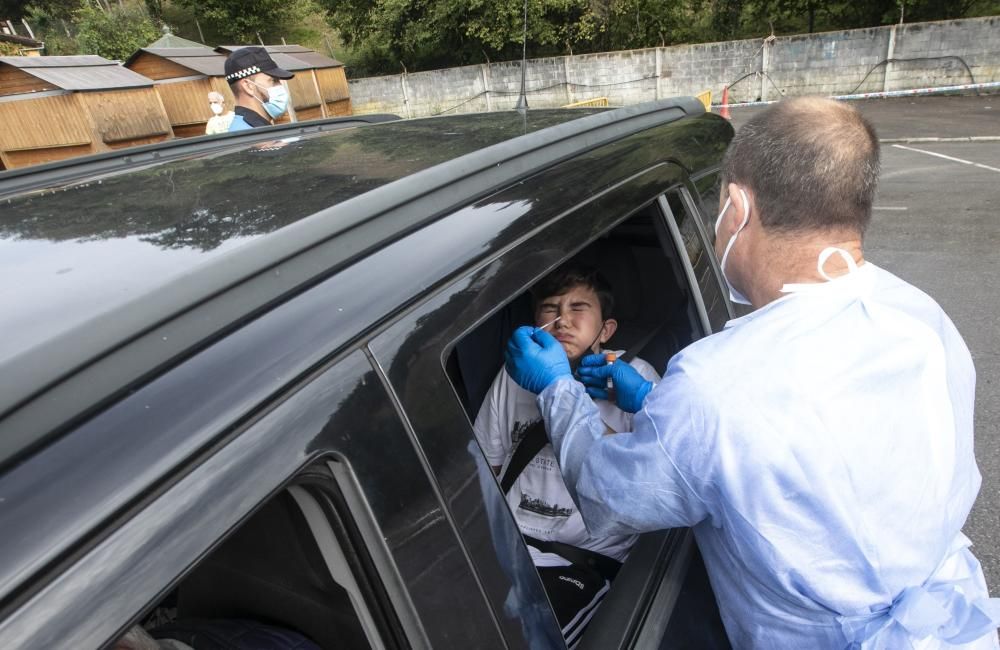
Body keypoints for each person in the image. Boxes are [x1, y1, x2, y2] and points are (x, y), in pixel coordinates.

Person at [504, 97, 1000, 648]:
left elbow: (606, 491)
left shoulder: (716, 385)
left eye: (718, 214)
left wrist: (555, 387)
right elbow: (801, 453)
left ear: (736, 209)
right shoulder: (920, 314)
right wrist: (653, 400)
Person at [473, 266, 659, 648]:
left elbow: (655, 476)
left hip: (579, 560)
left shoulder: (635, 378)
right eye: (550, 308)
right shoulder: (513, 377)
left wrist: (637, 405)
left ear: (606, 330)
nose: (562, 320)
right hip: (506, 545)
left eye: (578, 308)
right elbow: (487, 465)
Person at [223, 46, 294, 131]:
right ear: (248, 86)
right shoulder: (249, 135)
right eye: (273, 81)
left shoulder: (255, 129)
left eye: (278, 81)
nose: (280, 87)